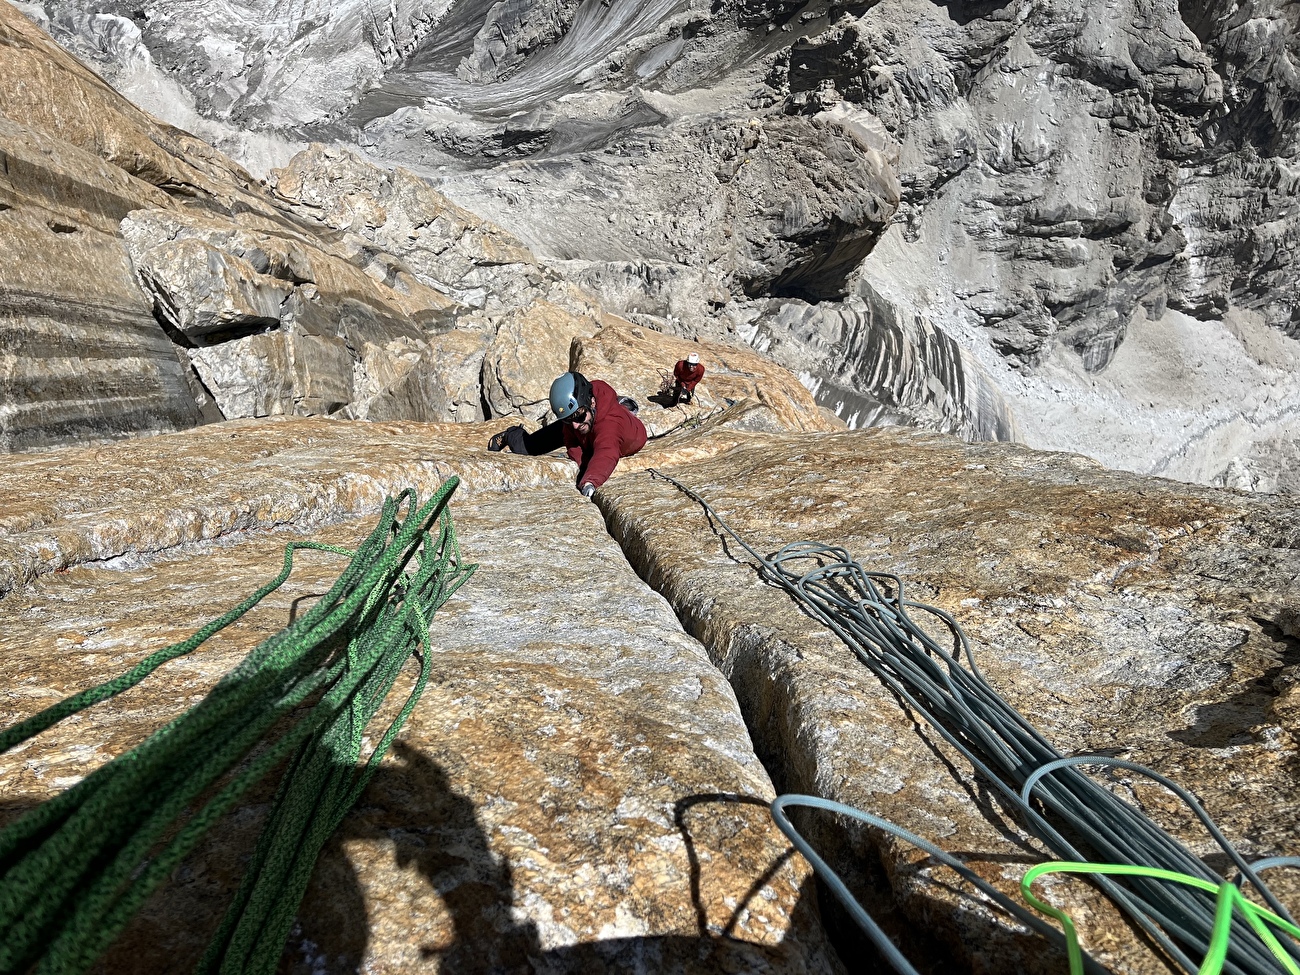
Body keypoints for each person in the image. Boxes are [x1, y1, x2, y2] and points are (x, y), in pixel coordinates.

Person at [486, 372, 647, 497]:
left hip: (610, 428)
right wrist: (578, 458)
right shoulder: (577, 418)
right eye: (569, 420)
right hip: (590, 427)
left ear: (592, 402)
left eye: (578, 417)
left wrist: (590, 482)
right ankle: (510, 435)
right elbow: (571, 440)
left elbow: (607, 453)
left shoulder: (609, 426)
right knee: (527, 448)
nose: (575, 425)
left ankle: (623, 408)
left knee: (595, 443)